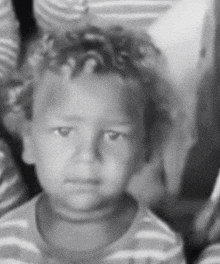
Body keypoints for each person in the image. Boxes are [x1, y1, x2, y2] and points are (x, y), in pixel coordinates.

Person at [0, 24, 186, 263]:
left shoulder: (158, 249)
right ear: (29, 141)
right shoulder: (6, 242)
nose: (87, 154)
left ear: (145, 149)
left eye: (112, 135)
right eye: (64, 131)